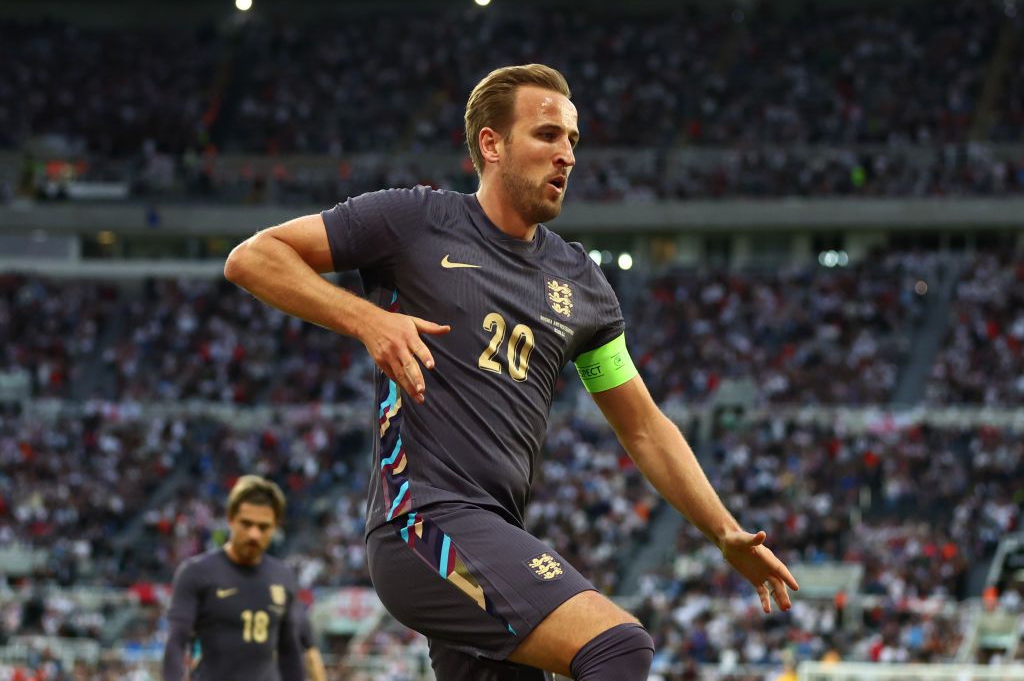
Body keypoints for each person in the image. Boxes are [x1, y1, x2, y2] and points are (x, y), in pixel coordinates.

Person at [224, 63, 799, 680]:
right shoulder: (415, 221)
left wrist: (724, 531)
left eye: (573, 140)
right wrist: (367, 319)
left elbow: (643, 427)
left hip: (492, 530)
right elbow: (253, 257)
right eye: (548, 135)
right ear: (491, 144)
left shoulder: (582, 283)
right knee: (617, 645)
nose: (567, 156)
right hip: (424, 525)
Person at [162, 475, 304, 681]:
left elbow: (290, 651)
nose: (254, 534)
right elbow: (176, 642)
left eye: (263, 527)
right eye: (246, 524)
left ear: (275, 526)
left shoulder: (283, 576)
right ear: (230, 519)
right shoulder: (196, 573)